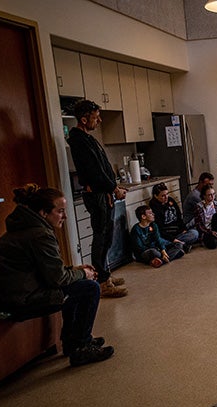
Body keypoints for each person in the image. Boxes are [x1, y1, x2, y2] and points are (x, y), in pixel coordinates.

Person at [0, 184, 114, 366]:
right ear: (44, 213)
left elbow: (45, 270)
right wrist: (82, 273)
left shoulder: (22, 230)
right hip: (17, 303)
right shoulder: (40, 235)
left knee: (74, 287)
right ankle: (81, 346)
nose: (65, 216)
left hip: (8, 298)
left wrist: (74, 270)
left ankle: (72, 342)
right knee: (89, 288)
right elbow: (57, 278)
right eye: (60, 211)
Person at [67, 99, 127, 298]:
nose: (99, 121)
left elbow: (102, 167)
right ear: (84, 119)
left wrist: (114, 187)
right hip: (97, 195)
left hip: (104, 193)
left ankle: (105, 274)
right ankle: (102, 283)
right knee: (101, 238)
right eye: (96, 117)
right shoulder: (78, 140)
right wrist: (113, 188)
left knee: (107, 236)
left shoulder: (87, 138)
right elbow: (95, 171)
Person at [149, 182, 198, 250]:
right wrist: (172, 239)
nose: (166, 197)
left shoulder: (170, 200)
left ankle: (178, 244)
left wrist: (183, 229)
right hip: (166, 235)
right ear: (156, 196)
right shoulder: (154, 207)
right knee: (158, 241)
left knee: (194, 233)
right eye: (163, 196)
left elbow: (179, 217)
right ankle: (178, 244)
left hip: (178, 232)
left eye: (167, 194)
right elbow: (158, 229)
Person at [194, 184, 217, 249]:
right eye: (209, 195)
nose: (212, 196)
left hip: (216, 228)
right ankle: (213, 239)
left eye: (213, 194)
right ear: (204, 196)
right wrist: (210, 232)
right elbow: (199, 224)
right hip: (206, 230)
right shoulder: (199, 207)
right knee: (213, 244)